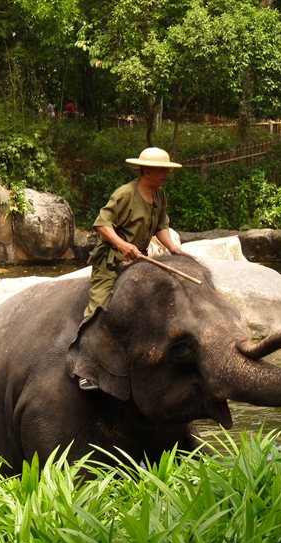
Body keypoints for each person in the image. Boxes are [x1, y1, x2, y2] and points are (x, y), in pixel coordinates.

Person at [77, 147, 184, 390]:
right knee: (99, 308)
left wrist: (173, 249)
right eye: (162, 171)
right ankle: (85, 369)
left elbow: (161, 226)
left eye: (167, 171)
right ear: (147, 171)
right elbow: (101, 224)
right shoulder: (125, 194)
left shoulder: (160, 195)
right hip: (112, 262)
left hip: (139, 263)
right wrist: (123, 245)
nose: (165, 175)